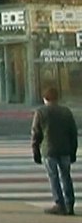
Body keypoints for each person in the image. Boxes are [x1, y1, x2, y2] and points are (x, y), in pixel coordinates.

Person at [31, 86, 77, 216]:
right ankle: (70, 204)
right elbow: (73, 133)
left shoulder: (40, 112)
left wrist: (35, 151)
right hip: (65, 150)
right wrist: (72, 152)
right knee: (66, 176)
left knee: (54, 177)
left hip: (49, 149)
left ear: (45, 98)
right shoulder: (66, 112)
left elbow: (36, 134)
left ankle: (59, 204)